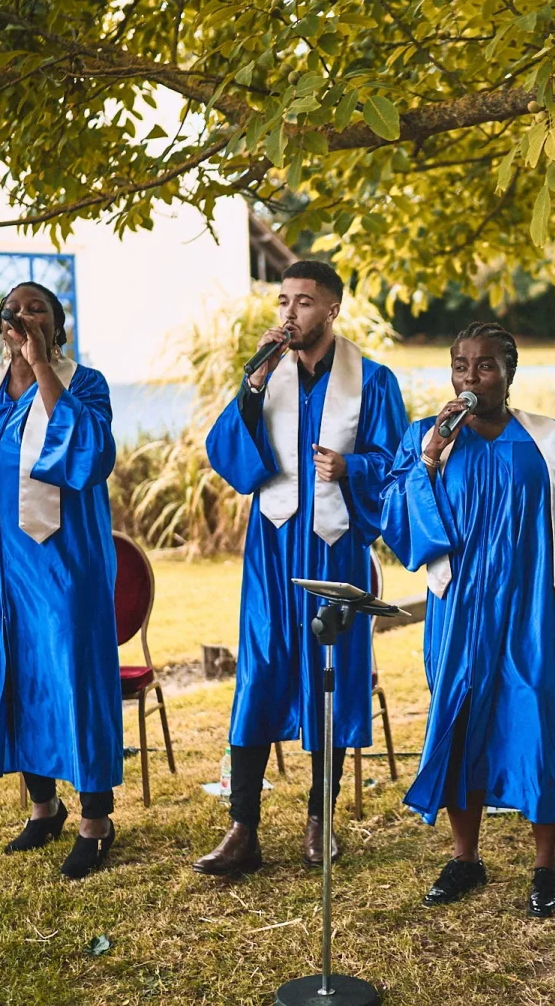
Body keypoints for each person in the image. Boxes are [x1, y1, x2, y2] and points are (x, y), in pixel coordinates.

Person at [380, 322, 555, 918]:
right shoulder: (427, 437)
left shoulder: (550, 438)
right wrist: (427, 462)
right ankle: (465, 858)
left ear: (510, 371)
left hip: (530, 608)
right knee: (460, 720)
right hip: (458, 609)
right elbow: (394, 513)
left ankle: (545, 868)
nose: (470, 378)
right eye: (460, 366)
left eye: (485, 366)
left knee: (536, 726)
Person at [193, 261, 408, 876]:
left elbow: (395, 468)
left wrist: (352, 469)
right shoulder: (265, 377)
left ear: (332, 309)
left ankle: (320, 821)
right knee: (259, 674)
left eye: (305, 302)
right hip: (273, 547)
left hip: (336, 546)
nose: (290, 312)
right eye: (284, 300)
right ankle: (242, 828)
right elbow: (227, 450)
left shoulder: (372, 380)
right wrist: (252, 387)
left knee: (329, 677)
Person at [0, 282, 122, 879]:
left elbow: (89, 453)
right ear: (1, 323)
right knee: (12, 678)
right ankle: (44, 809)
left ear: (56, 327)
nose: (23, 314)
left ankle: (97, 822)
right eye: (15, 308)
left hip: (59, 567)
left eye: (39, 308)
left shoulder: (84, 383)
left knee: (72, 682)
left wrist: (40, 368)